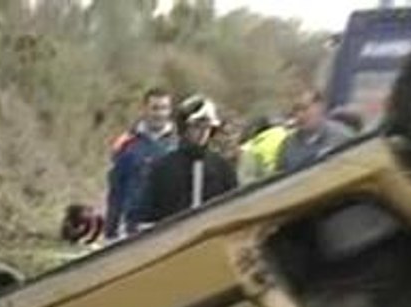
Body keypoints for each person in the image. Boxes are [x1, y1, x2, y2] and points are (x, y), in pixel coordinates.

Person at [134, 95, 237, 228]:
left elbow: (233, 211)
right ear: (184, 128)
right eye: (196, 127)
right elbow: (146, 216)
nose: (202, 133)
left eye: (207, 127)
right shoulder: (163, 168)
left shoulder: (223, 169)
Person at [104, 88, 178, 242]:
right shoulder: (127, 144)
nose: (159, 114)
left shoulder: (179, 144)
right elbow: (116, 189)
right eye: (155, 108)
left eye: (164, 108)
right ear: (145, 109)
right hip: (134, 226)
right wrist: (110, 231)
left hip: (169, 225)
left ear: (170, 110)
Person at [277, 89, 355, 173]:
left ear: (320, 107)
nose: (300, 115)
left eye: (304, 109)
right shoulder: (288, 144)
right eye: (295, 110)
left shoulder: (342, 137)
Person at [237, 115, 291, 186]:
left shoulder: (251, 148)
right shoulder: (285, 133)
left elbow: (245, 180)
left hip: (273, 184)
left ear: (252, 130)